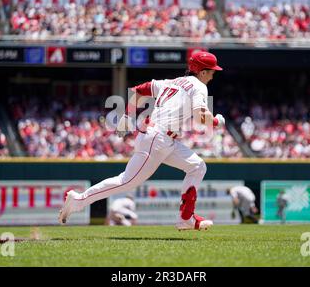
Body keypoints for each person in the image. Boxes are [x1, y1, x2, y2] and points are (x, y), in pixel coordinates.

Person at [59, 51, 225, 231]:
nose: (212, 75)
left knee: (197, 166)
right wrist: (216, 121)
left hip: (161, 138)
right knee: (127, 181)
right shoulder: (199, 86)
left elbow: (139, 90)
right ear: (202, 72)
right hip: (158, 138)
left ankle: (186, 217)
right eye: (211, 71)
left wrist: (128, 116)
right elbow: (202, 117)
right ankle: (79, 200)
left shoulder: (172, 82)